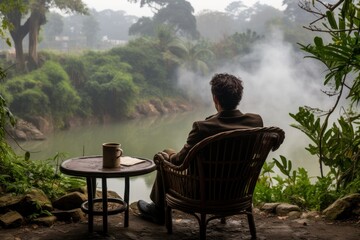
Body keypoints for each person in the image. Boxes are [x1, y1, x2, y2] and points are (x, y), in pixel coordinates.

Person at [137, 73, 263, 224]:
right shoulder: (255, 122)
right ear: (238, 98)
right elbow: (268, 144)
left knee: (165, 155)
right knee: (169, 154)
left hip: (201, 192)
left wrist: (167, 157)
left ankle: (158, 211)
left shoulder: (203, 128)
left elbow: (179, 161)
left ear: (215, 99)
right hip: (235, 190)